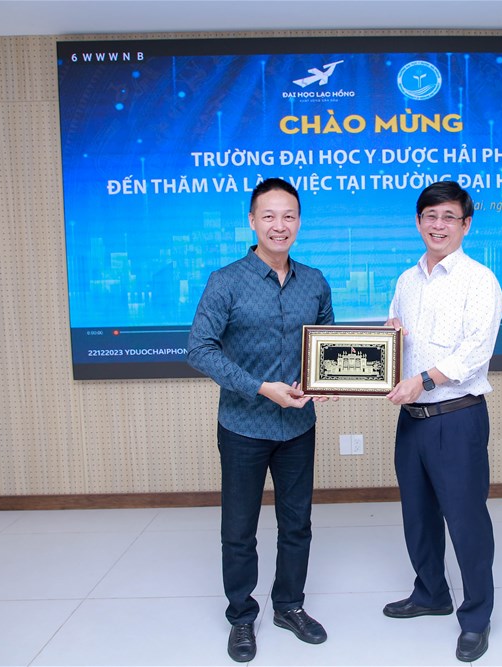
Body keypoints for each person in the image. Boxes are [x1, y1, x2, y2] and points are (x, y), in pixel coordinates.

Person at [188, 177, 333, 663]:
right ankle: (241, 616)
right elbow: (199, 349)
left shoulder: (314, 281)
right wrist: (259, 387)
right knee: (239, 528)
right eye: (269, 216)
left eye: (288, 216)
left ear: (299, 222)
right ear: (252, 221)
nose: (279, 225)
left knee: (297, 524)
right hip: (243, 427)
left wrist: (324, 380)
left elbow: (327, 344)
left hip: (298, 428)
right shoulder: (225, 281)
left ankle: (289, 606)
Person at [383, 181, 502, 662]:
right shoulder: (406, 281)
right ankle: (431, 592)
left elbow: (475, 353)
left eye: (449, 217)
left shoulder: (480, 281)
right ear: (418, 222)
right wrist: (389, 342)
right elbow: (396, 339)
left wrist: (424, 380)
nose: (438, 225)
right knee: (418, 516)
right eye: (430, 216)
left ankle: (476, 618)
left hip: (456, 418)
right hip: (411, 419)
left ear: (465, 225)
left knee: (466, 521)